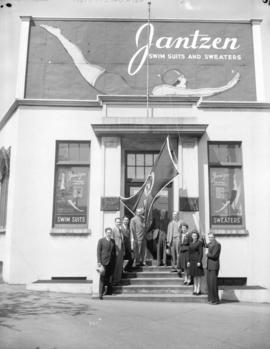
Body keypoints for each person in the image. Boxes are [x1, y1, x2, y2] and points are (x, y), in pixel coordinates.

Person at [97, 227, 116, 300]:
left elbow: (114, 252)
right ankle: (100, 293)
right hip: (103, 262)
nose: (109, 234)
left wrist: (115, 261)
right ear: (105, 233)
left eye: (110, 233)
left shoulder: (113, 241)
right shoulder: (101, 241)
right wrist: (99, 262)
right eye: (108, 233)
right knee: (102, 278)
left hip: (111, 262)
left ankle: (109, 291)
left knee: (109, 277)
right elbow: (98, 251)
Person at [205, 232, 221, 305]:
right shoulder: (210, 244)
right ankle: (211, 299)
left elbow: (214, 255)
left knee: (213, 284)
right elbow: (206, 245)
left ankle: (215, 300)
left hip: (214, 266)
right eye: (209, 237)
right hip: (209, 266)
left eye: (211, 237)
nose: (210, 238)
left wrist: (207, 254)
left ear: (214, 237)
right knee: (210, 284)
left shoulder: (217, 244)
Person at [187, 230, 204, 295]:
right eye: (193, 235)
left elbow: (201, 253)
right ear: (192, 236)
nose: (194, 237)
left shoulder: (199, 243)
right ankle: (195, 288)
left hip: (197, 261)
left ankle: (198, 289)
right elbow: (189, 253)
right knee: (194, 276)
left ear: (197, 236)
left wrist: (199, 261)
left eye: (196, 236)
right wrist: (188, 261)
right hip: (192, 261)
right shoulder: (191, 243)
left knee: (198, 276)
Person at [112, 217, 125, 286]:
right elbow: (112, 241)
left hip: (121, 251)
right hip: (116, 250)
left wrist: (123, 250)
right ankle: (114, 280)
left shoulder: (120, 230)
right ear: (115, 222)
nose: (118, 223)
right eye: (117, 222)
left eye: (119, 222)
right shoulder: (113, 230)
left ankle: (118, 280)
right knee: (116, 266)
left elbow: (122, 241)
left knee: (120, 266)